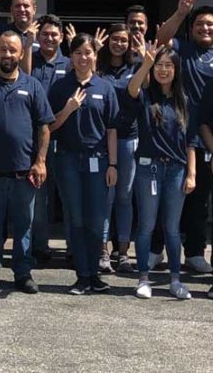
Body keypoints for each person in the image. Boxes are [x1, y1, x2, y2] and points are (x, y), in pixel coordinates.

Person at [0, 31, 52, 293]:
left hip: (23, 172)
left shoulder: (32, 85)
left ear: (20, 53)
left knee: (23, 226)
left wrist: (40, 161)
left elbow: (44, 126)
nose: (7, 54)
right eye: (3, 49)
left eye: (12, 50)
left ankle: (23, 273)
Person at [122, 43, 196, 299]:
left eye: (168, 66)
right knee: (146, 226)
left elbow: (191, 141)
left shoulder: (184, 101)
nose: (163, 70)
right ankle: (143, 278)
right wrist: (146, 63)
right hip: (148, 169)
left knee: (173, 228)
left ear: (176, 70)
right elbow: (131, 88)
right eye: (159, 66)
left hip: (176, 170)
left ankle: (175, 280)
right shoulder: (144, 95)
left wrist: (192, 174)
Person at [49, 33, 119, 295]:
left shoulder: (105, 87)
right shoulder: (60, 87)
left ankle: (95, 275)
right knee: (76, 218)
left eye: (87, 52)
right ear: (71, 56)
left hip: (98, 162)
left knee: (96, 219)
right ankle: (82, 275)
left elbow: (112, 129)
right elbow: (50, 126)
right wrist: (67, 109)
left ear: (94, 55)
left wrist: (113, 164)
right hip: (68, 160)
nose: (83, 57)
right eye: (77, 53)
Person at [156, 0, 213, 274]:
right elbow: (162, 41)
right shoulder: (184, 49)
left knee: (198, 200)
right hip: (173, 136)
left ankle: (194, 253)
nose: (205, 28)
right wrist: (180, 13)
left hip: (204, 139)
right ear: (192, 29)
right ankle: (155, 249)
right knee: (162, 196)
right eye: (200, 23)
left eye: (210, 24)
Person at [22, 15, 70, 265]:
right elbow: (24, 77)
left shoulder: (70, 63)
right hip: (36, 138)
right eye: (45, 34)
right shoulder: (33, 59)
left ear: (61, 37)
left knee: (67, 194)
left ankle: (73, 248)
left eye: (54, 34)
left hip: (64, 138)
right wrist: (29, 45)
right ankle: (40, 247)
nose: (49, 38)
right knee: (38, 196)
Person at [97, 24, 139, 274]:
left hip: (127, 139)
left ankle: (122, 253)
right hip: (100, 140)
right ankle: (102, 252)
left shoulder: (134, 67)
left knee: (124, 197)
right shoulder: (98, 68)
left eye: (123, 40)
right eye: (115, 39)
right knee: (106, 198)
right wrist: (94, 49)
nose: (119, 44)